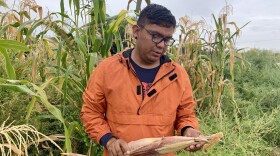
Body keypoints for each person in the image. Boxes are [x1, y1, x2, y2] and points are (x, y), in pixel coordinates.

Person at [80, 4, 204, 156]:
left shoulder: (178, 74)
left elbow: (185, 115)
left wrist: (189, 129)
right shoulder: (107, 70)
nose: (161, 45)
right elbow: (91, 112)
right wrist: (109, 140)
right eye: (155, 36)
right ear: (136, 31)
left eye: (167, 39)